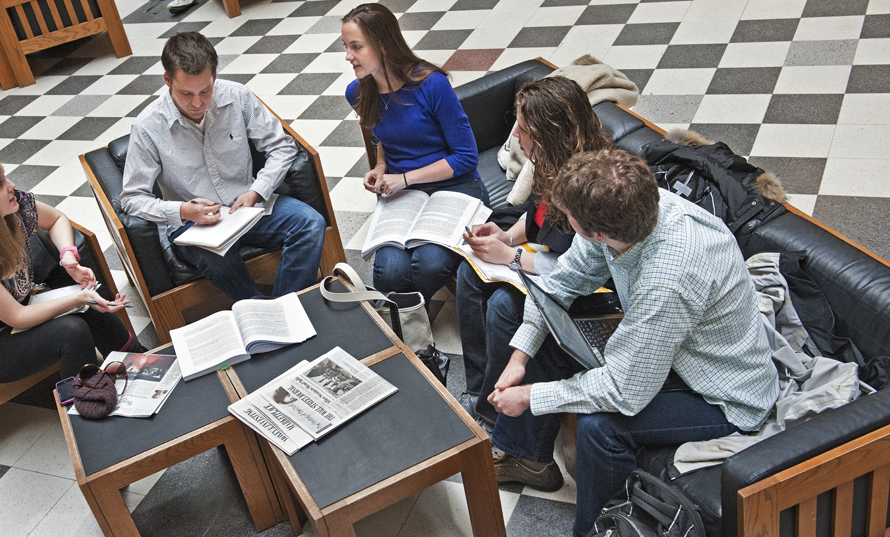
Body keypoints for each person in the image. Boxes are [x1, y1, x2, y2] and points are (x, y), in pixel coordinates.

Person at [487, 149, 778, 537]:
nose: (567, 226)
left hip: (720, 394)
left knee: (601, 428)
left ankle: (596, 531)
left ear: (600, 233)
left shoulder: (669, 278)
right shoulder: (630, 212)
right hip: (671, 352)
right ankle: (529, 460)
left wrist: (529, 397)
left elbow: (625, 392)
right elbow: (559, 286)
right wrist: (519, 358)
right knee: (541, 330)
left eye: (571, 222)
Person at [456, 77, 613, 431]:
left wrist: (509, 258)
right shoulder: (547, 162)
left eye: (523, 129)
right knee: (469, 272)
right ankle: (479, 390)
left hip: (588, 288)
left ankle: (496, 409)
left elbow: (584, 267)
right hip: (543, 261)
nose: (514, 137)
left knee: (502, 307)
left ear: (546, 136)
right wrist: (507, 238)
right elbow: (537, 217)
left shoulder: (587, 183)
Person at [122, 32, 326, 301]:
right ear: (167, 80)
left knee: (310, 223)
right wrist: (183, 210)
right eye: (186, 93)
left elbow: (283, 146)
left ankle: (286, 307)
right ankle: (265, 310)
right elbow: (132, 199)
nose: (197, 103)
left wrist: (257, 191)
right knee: (217, 258)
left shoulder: (237, 96)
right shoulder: (148, 126)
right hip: (191, 224)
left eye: (205, 91)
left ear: (214, 77)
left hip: (248, 207)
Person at [0, 151, 142, 383]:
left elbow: (56, 219)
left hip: (22, 302)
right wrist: (79, 299)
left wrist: (67, 256)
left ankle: (140, 363)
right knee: (73, 329)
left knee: (88, 304)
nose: (11, 186)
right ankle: (85, 400)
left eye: (5, 177)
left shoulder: (13, 207)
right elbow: (17, 317)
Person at [341, 3, 490, 302]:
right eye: (346, 46)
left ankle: (405, 321)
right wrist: (381, 166)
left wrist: (405, 178)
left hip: (457, 184)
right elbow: (385, 135)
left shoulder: (431, 84)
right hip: (405, 192)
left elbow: (465, 157)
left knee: (429, 264)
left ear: (383, 45)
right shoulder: (357, 92)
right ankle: (406, 322)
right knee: (387, 272)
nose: (348, 56)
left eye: (356, 47)